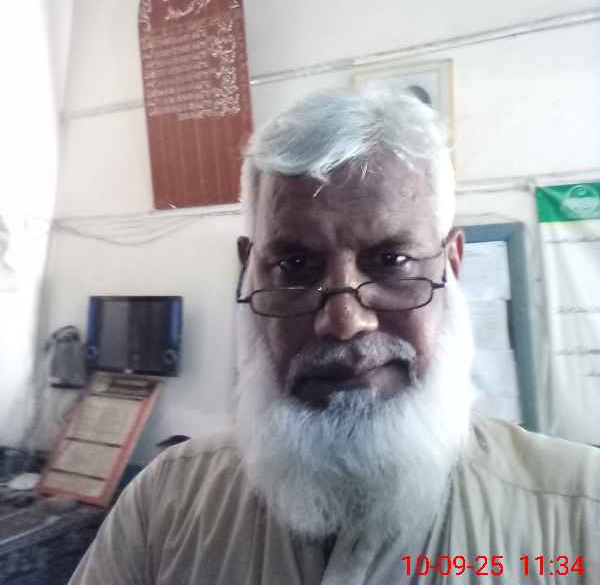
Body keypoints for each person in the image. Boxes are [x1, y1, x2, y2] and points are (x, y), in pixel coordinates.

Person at [69, 88, 600, 584]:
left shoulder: (580, 513)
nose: (345, 321)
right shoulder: (165, 503)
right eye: (295, 264)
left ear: (452, 267)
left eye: (392, 261)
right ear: (250, 272)